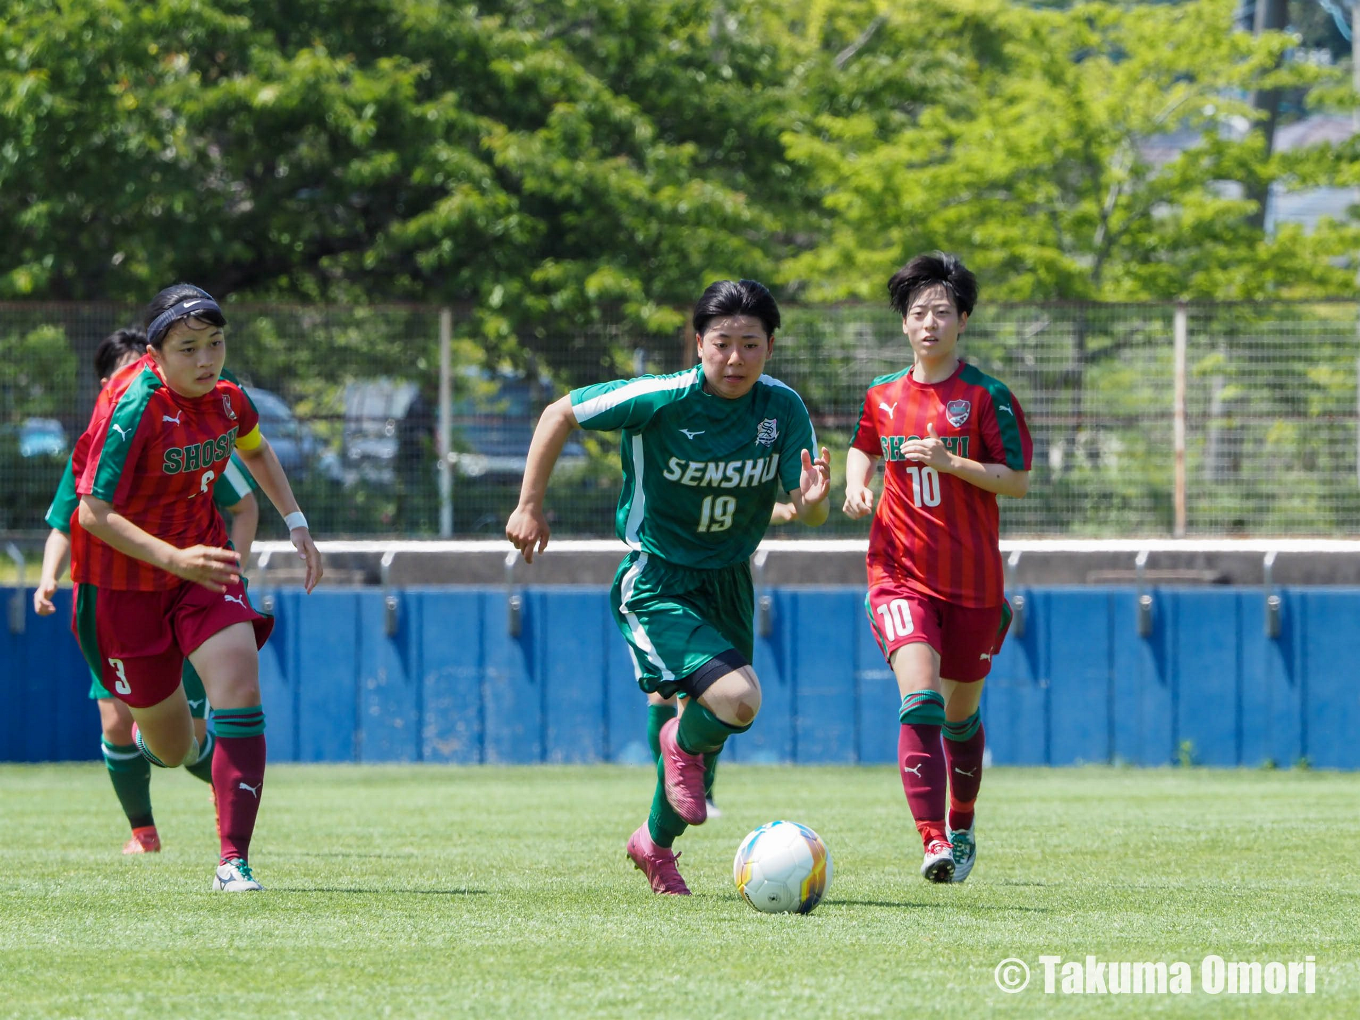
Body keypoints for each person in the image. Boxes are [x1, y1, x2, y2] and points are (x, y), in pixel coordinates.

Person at [507, 279, 831, 896]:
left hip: (730, 579)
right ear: (698, 343)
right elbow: (560, 412)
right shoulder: (661, 398)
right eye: (722, 344)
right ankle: (678, 747)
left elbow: (805, 507)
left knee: (728, 710)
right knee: (737, 702)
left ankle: (654, 845)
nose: (735, 359)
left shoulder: (782, 408)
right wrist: (529, 505)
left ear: (770, 347)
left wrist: (813, 504)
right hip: (656, 577)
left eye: (751, 345)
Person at [69, 284, 322, 892]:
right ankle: (175, 747)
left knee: (239, 682)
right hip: (123, 589)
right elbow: (91, 514)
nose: (206, 359)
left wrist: (296, 523)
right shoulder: (133, 408)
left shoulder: (228, 399)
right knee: (174, 745)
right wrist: (170, 558)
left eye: (215, 343)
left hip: (203, 569)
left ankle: (233, 859)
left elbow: (257, 452)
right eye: (189, 348)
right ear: (156, 353)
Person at [33, 327, 262, 855]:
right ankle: (143, 830)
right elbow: (71, 520)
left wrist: (230, 570)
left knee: (203, 727)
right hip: (114, 602)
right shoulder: (99, 445)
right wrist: (49, 577)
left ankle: (230, 823)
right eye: (123, 375)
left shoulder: (192, 430)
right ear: (105, 385)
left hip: (185, 599)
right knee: (120, 723)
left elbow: (244, 498)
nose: (134, 383)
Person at [843, 252, 1031, 883]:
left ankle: (962, 821)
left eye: (942, 312)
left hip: (975, 584)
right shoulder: (883, 396)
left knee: (960, 714)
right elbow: (861, 447)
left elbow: (1018, 480)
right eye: (918, 312)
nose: (929, 323)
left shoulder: (986, 397)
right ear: (903, 324)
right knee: (920, 698)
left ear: (963, 320)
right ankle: (931, 841)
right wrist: (855, 485)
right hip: (897, 571)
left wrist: (955, 466)